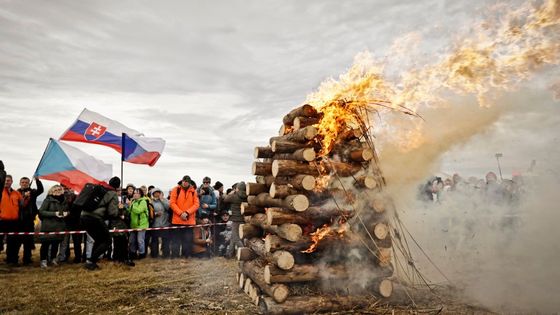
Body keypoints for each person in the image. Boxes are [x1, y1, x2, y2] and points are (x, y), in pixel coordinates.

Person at [80, 177, 120, 270]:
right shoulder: (112, 193)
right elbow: (112, 212)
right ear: (117, 186)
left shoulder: (100, 188)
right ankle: (91, 261)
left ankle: (91, 262)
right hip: (95, 218)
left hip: (83, 216)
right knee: (107, 241)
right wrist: (119, 211)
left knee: (98, 240)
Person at [169, 175, 199, 258]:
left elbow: (196, 204)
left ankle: (186, 256)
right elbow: (172, 203)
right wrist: (181, 213)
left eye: (187, 181)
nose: (185, 183)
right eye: (184, 181)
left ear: (189, 182)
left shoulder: (193, 191)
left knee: (187, 240)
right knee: (176, 240)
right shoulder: (176, 189)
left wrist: (187, 213)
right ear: (182, 181)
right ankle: (175, 256)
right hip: (177, 220)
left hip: (189, 220)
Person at [38, 185, 68, 268]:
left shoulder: (64, 200)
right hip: (48, 226)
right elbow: (41, 212)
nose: (58, 191)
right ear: (52, 191)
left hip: (59, 226)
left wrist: (66, 213)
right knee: (45, 244)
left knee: (56, 244)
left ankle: (53, 259)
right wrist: (54, 214)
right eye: (55, 189)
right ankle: (43, 261)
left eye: (59, 189)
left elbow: (67, 211)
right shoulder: (48, 200)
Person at [17, 176, 44, 265]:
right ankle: (13, 258)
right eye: (23, 182)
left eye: (26, 182)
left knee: (28, 241)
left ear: (28, 183)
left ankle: (27, 259)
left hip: (29, 220)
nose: (24, 184)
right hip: (18, 220)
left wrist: (37, 180)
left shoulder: (32, 192)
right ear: (20, 183)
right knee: (16, 241)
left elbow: (41, 190)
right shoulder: (16, 192)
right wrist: (24, 196)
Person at [0, 174, 24, 265]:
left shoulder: (17, 193)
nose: (7, 182)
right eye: (5, 180)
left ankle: (12, 260)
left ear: (12, 182)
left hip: (14, 222)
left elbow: (22, 205)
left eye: (9, 180)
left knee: (13, 242)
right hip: (1, 221)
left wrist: (26, 197)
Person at [223, 181, 246, 258]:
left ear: (238, 188)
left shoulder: (234, 196)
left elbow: (225, 199)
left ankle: (244, 251)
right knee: (234, 236)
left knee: (236, 238)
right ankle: (229, 254)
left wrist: (232, 192)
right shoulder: (246, 196)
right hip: (243, 219)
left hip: (236, 219)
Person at [127, 188, 150, 259]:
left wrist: (131, 205)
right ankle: (133, 254)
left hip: (142, 225)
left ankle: (141, 254)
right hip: (133, 225)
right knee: (132, 240)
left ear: (140, 194)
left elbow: (138, 211)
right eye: (134, 193)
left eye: (137, 193)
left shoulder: (143, 202)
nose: (135, 194)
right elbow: (130, 212)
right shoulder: (133, 202)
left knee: (140, 240)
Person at [150, 188, 171, 258]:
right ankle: (154, 255)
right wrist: (155, 214)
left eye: (158, 192)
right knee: (154, 241)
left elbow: (169, 208)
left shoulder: (165, 200)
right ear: (153, 194)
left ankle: (166, 254)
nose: (157, 194)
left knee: (165, 241)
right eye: (155, 193)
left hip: (165, 223)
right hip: (155, 224)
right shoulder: (151, 202)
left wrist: (162, 200)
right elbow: (149, 212)